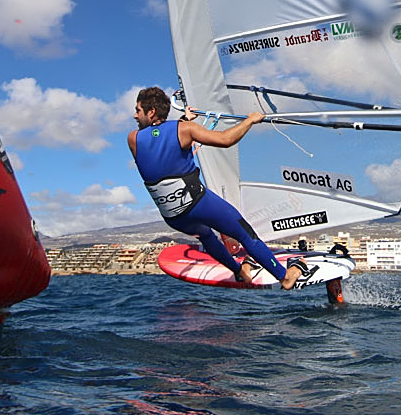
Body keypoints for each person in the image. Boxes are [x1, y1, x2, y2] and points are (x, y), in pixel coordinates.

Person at [127, 86, 307, 289]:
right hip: (198, 204)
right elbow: (225, 140)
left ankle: (240, 272)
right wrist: (250, 120)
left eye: (138, 110)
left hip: (174, 217)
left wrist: (185, 122)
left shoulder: (133, 139)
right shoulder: (184, 130)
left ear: (151, 112)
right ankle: (284, 277)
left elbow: (158, 142)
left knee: (206, 235)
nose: (135, 115)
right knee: (244, 233)